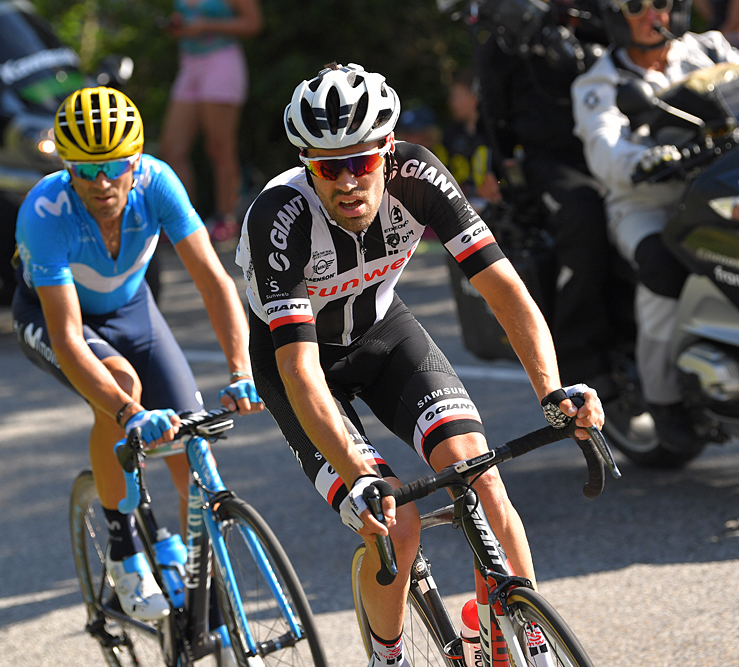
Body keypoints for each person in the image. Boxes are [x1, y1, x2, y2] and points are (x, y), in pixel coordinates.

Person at [235, 63, 604, 667]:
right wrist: (360, 473)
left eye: (362, 161)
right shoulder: (280, 219)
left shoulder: (420, 175)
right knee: (397, 523)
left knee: (480, 477)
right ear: (307, 164)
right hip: (298, 368)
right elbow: (301, 372)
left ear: (387, 151)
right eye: (329, 167)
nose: (348, 181)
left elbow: (506, 291)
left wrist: (554, 389)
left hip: (383, 334)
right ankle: (390, 657)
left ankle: (516, 640)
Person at [12, 87, 263, 622]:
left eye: (115, 167)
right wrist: (128, 413)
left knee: (189, 450)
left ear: (136, 161)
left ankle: (200, 585)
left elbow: (215, 283)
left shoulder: (158, 183)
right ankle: (124, 549)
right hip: (57, 317)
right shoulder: (44, 211)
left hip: (133, 309)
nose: (102, 184)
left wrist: (242, 369)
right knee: (121, 386)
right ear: (66, 166)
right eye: (84, 169)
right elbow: (69, 336)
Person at [571, 0, 739, 448]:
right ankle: (664, 401)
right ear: (616, 16)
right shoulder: (600, 81)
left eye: (659, 2)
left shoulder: (710, 50)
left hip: (723, 187)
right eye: (635, 6)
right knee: (661, 263)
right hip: (647, 203)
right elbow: (605, 148)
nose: (649, 14)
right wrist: (645, 159)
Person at [479, 0, 623, 397]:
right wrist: (496, 166)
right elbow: (493, 116)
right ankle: (582, 363)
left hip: (620, 143)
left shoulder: (608, 15)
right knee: (584, 217)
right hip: (553, 161)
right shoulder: (508, 35)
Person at [158, 0, 263, 247]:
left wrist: (207, 24)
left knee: (219, 147)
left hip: (222, 63)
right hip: (189, 66)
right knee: (171, 148)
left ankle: (226, 219)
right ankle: (183, 221)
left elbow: (253, 23)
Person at [442, 69, 501, 207]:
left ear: (474, 96)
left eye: (456, 96)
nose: (451, 103)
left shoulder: (496, 134)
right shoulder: (451, 136)